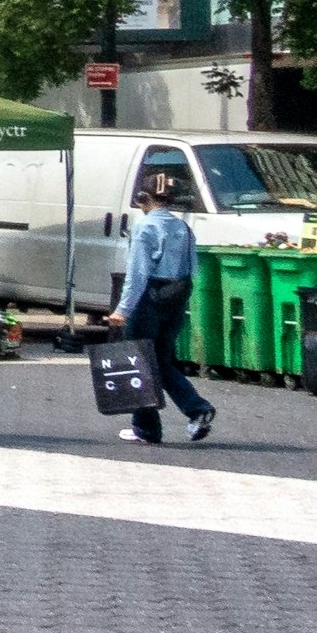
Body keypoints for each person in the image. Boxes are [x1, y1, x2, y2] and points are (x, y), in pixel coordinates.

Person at [109, 172, 215, 446]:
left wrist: (122, 309)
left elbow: (138, 274)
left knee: (140, 362)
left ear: (144, 198)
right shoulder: (182, 227)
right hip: (177, 296)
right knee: (160, 360)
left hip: (149, 298)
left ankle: (147, 427)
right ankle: (196, 410)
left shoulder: (146, 228)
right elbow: (193, 267)